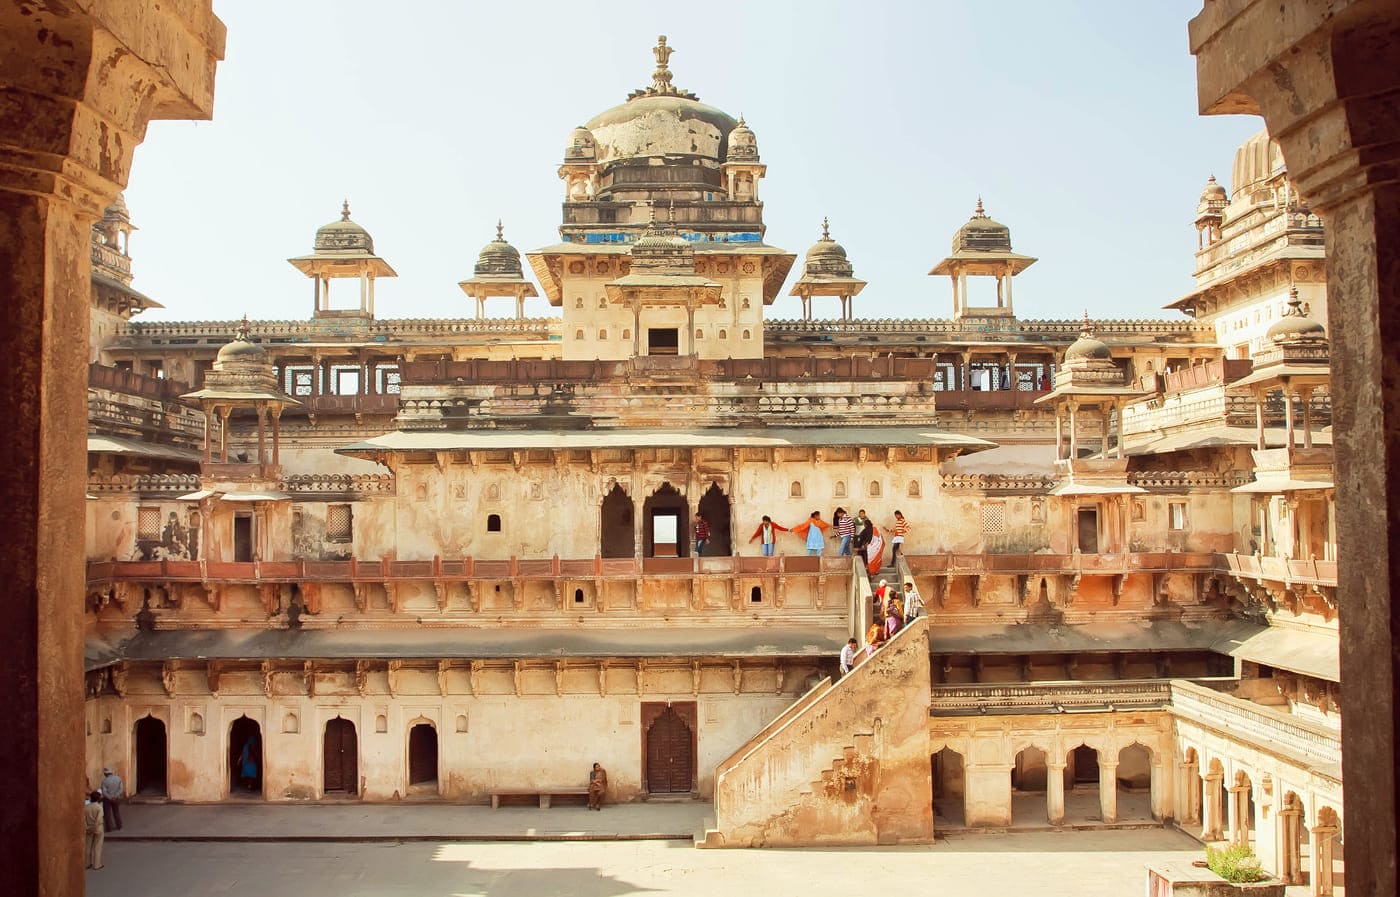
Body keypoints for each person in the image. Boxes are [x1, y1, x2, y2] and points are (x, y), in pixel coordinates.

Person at [84, 791, 105, 869]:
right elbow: (98, 819)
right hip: (98, 828)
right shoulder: (99, 807)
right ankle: (97, 864)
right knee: (97, 846)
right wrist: (95, 827)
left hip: (88, 827)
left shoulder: (86, 807)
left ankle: (87, 863)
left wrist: (87, 827)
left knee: (88, 846)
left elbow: (83, 819)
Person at [99, 767, 123, 832]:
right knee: (116, 812)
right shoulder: (118, 779)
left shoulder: (104, 781)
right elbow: (120, 789)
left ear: (105, 774)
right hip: (116, 798)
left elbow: (104, 792)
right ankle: (119, 826)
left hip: (107, 799)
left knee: (107, 813)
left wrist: (110, 797)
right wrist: (115, 796)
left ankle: (109, 828)